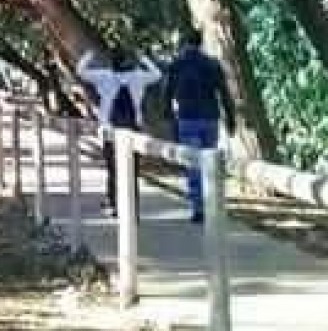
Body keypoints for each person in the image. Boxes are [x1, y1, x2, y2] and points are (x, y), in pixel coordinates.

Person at [162, 29, 237, 223]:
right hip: (210, 117)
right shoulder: (212, 64)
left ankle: (199, 208)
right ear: (200, 43)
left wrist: (168, 116)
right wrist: (230, 118)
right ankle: (212, 202)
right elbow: (224, 92)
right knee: (209, 161)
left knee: (193, 164)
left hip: (187, 118)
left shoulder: (176, 64)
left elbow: (167, 93)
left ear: (185, 43)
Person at [76, 47, 162, 216]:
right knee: (133, 170)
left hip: (110, 130)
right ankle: (133, 206)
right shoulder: (138, 77)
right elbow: (157, 74)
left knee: (113, 169)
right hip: (132, 130)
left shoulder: (104, 76)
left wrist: (89, 55)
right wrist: (143, 58)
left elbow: (80, 71)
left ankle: (115, 204)